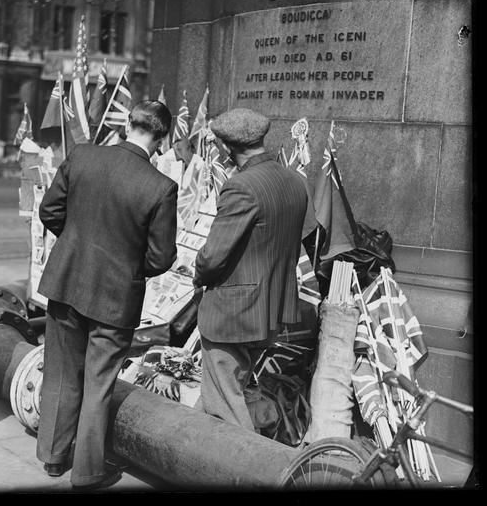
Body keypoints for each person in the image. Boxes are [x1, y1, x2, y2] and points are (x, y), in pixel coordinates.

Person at [36, 100, 178, 490]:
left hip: (66, 282)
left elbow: (50, 211)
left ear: (127, 123)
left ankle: (52, 457)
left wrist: (76, 246)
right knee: (99, 384)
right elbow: (161, 257)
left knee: (62, 374)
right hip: (116, 297)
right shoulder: (161, 187)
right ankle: (87, 472)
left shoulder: (82, 157)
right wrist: (128, 268)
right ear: (162, 139)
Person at [193, 108, 308, 431]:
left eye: (217, 145)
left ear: (228, 148)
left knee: (225, 408)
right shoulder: (294, 181)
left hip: (234, 314)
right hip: (269, 311)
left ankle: (244, 472)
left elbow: (212, 257)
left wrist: (197, 274)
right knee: (227, 392)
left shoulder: (241, 186)